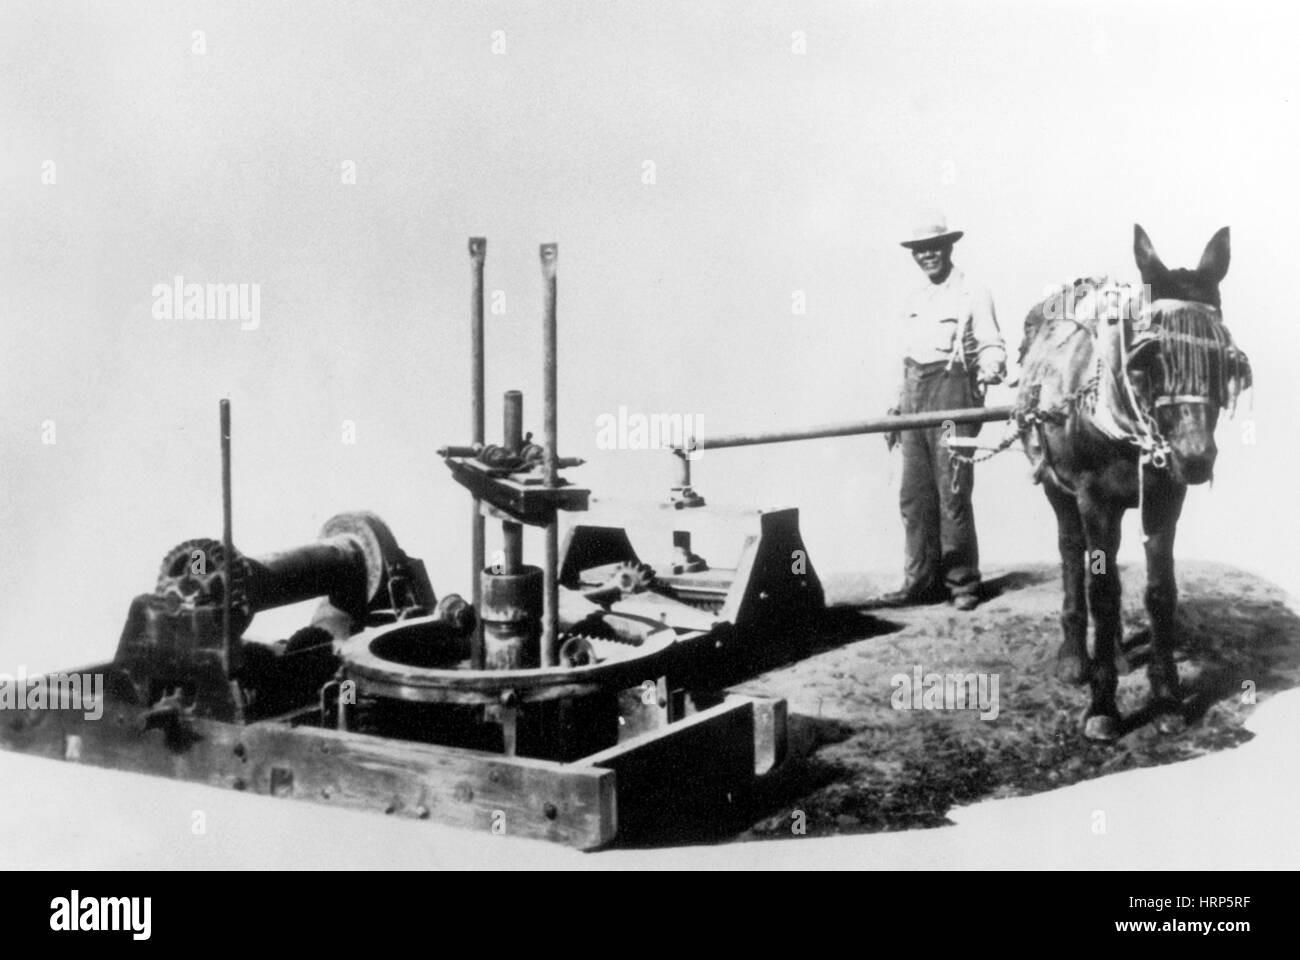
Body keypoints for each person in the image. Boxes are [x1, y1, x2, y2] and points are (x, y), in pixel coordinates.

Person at [877, 213, 1006, 611]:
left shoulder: (972, 292)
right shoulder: (914, 299)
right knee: (913, 496)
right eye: (920, 250)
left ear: (949, 247)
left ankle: (962, 582)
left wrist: (992, 365)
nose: (927, 255)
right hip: (914, 399)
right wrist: (895, 408)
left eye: (934, 247)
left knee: (952, 491)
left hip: (952, 394)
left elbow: (990, 342)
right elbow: (905, 359)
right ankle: (920, 581)